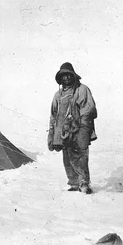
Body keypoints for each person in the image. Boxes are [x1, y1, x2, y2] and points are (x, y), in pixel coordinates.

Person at [48, 62, 97, 194]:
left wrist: (84, 129)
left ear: (74, 76)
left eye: (69, 75)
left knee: (80, 157)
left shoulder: (82, 90)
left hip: (78, 129)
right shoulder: (57, 95)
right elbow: (53, 116)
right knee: (67, 159)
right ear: (60, 79)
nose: (67, 78)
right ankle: (74, 183)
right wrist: (52, 135)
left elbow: (88, 109)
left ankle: (84, 183)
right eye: (64, 76)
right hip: (63, 133)